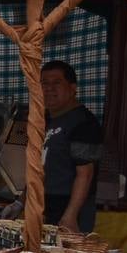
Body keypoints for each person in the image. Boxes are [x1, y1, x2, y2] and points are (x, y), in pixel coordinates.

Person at [42, 60, 104, 233]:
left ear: (73, 88)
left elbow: (85, 174)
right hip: (46, 204)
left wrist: (70, 215)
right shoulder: (44, 120)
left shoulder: (83, 123)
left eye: (56, 83)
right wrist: (22, 201)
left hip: (70, 207)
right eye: (44, 84)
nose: (49, 89)